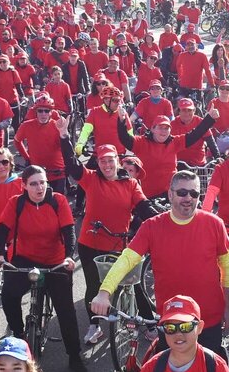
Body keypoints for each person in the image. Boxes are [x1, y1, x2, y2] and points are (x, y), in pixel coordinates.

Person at [90, 171, 229, 357]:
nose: (188, 198)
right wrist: (104, 292)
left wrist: (227, 306)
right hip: (170, 319)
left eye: (194, 193)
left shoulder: (215, 224)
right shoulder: (151, 226)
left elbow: (228, 267)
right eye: (182, 192)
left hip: (208, 319)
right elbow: (127, 259)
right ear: (170, 194)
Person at [58, 132, 159, 345]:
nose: (106, 165)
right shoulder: (91, 178)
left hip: (119, 245)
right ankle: (94, 326)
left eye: (110, 160)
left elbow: (143, 206)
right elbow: (72, 165)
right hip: (90, 244)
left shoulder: (130, 184)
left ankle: (150, 324)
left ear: (117, 161)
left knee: (134, 284)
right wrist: (64, 136)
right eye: (102, 161)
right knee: (93, 287)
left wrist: (161, 220)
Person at [0, 166, 88, 372]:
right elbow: (2, 229)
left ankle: (74, 356)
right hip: (24, 258)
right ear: (24, 185)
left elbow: (69, 231)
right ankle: (18, 335)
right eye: (34, 183)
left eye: (42, 182)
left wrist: (69, 257)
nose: (39, 187)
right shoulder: (16, 203)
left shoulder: (58, 201)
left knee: (65, 310)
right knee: (8, 295)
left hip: (55, 261)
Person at [119, 108, 218, 199]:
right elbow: (124, 138)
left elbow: (194, 134)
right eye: (160, 127)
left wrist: (209, 119)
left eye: (166, 128)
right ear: (153, 129)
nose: (163, 131)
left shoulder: (174, 142)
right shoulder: (141, 142)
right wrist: (121, 120)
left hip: (171, 194)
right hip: (148, 196)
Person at [14, 95, 68, 194]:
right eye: (40, 111)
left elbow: (66, 148)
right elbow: (17, 141)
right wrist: (27, 157)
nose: (43, 114)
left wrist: (64, 133)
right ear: (36, 112)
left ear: (51, 112)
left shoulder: (57, 126)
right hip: (37, 172)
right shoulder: (26, 126)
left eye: (46, 111)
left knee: (58, 202)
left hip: (57, 171)